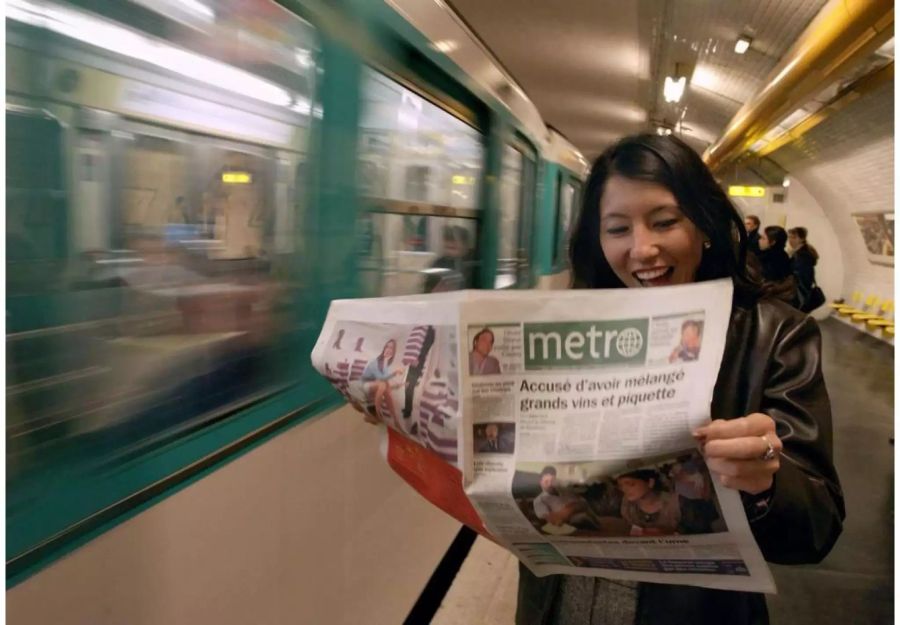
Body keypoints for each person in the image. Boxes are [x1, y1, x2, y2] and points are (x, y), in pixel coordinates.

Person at [517, 134, 844, 625]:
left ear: (705, 224)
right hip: (560, 602)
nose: (642, 248)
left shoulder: (774, 334)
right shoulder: (568, 328)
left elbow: (818, 525)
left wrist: (765, 480)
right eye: (617, 228)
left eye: (665, 222)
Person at [616, 470, 681, 536]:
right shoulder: (627, 505)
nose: (624, 489)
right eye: (621, 486)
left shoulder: (675, 502)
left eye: (631, 484)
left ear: (650, 482)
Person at [361, 339, 404, 423]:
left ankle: (395, 419)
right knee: (383, 384)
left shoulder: (385, 364)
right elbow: (381, 379)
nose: (388, 349)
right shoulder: (376, 362)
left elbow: (384, 383)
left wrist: (397, 386)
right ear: (384, 348)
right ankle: (378, 413)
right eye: (387, 347)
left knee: (386, 386)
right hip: (365, 387)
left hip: (373, 391)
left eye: (391, 348)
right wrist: (395, 373)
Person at [424, 225, 476, 292]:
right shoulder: (438, 263)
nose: (450, 243)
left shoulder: (474, 262)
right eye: (447, 239)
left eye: (454, 240)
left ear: (465, 244)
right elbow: (427, 290)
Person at [757, 225, 796, 305]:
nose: (759, 240)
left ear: (773, 242)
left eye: (763, 238)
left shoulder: (770, 258)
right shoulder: (782, 254)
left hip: (770, 301)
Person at [788, 226, 822, 312]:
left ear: (802, 239)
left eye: (794, 237)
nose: (790, 240)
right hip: (802, 290)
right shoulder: (801, 252)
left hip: (799, 292)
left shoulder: (802, 255)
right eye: (790, 237)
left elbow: (800, 275)